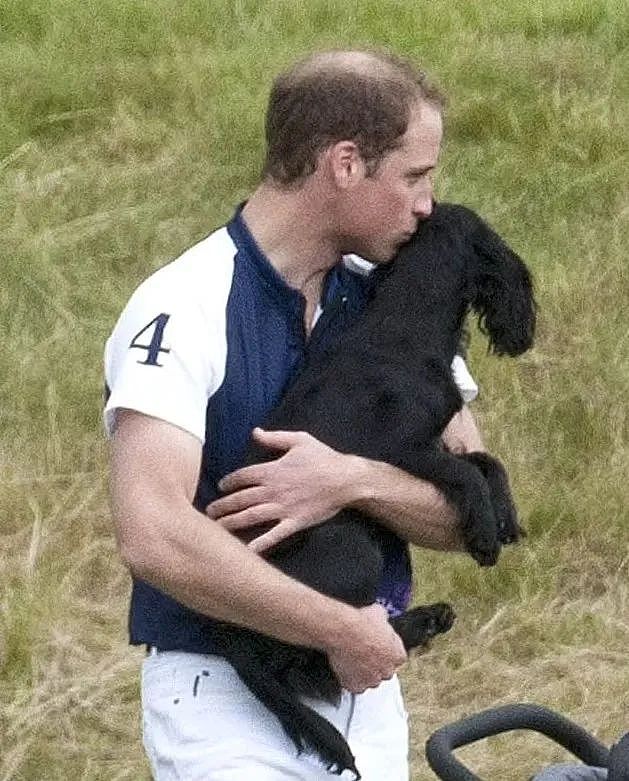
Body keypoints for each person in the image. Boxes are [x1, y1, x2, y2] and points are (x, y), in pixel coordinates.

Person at [105, 49, 483, 781]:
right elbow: (150, 533)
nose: (427, 203)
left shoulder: (397, 307)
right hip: (221, 694)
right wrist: (338, 627)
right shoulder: (183, 304)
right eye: (413, 174)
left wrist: (352, 480)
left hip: (364, 688)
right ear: (345, 163)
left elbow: (469, 512)